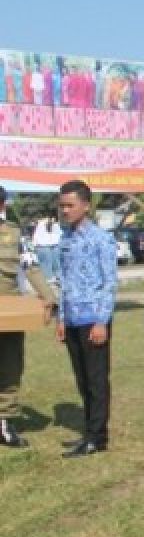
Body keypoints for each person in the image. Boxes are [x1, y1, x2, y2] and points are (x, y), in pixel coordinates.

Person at [57, 180, 117, 458]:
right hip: (73, 319)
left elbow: (109, 283)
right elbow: (64, 282)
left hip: (94, 317)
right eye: (62, 205)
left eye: (70, 205)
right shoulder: (65, 238)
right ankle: (89, 432)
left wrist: (102, 321)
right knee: (82, 380)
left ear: (85, 205)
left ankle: (97, 437)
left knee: (96, 380)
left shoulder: (101, 239)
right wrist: (61, 317)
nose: (65, 210)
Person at [0, 186, 57, 448]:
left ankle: (4, 422)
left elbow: (31, 266)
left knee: (11, 365)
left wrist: (48, 296)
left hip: (10, 311)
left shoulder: (14, 233)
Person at [31, 216, 61, 285]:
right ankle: (53, 278)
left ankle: (51, 278)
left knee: (49, 263)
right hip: (47, 246)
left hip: (46, 246)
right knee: (51, 263)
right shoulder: (51, 229)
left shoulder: (42, 229)